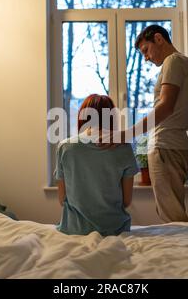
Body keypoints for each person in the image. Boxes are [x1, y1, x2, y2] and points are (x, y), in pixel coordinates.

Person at [100, 25, 188, 222]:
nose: (146, 58)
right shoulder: (182, 63)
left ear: (159, 39)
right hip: (174, 145)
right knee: (171, 212)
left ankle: (184, 251)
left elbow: (165, 107)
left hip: (166, 146)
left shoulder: (174, 61)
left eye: (146, 50)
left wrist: (126, 134)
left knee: (172, 217)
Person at [54, 94, 139, 236]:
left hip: (74, 230)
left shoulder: (65, 147)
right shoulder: (123, 147)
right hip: (115, 231)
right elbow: (126, 201)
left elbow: (62, 199)